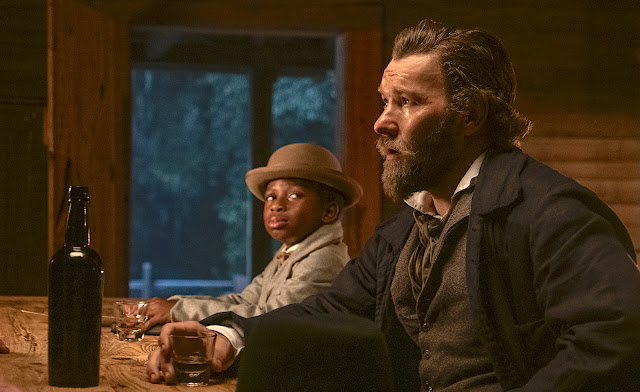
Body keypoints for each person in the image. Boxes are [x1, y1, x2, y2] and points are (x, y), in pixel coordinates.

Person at [147, 19, 640, 391]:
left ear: (471, 115)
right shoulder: (404, 228)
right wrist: (229, 336)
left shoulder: (553, 212)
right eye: (384, 102)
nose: (381, 123)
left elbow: (616, 340)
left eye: (406, 102)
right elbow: (332, 309)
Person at [144, 142, 362, 330]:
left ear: (328, 212)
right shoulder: (290, 253)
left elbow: (269, 316)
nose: (277, 206)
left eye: (295, 195)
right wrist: (175, 303)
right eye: (270, 197)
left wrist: (178, 310)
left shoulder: (324, 259)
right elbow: (245, 300)